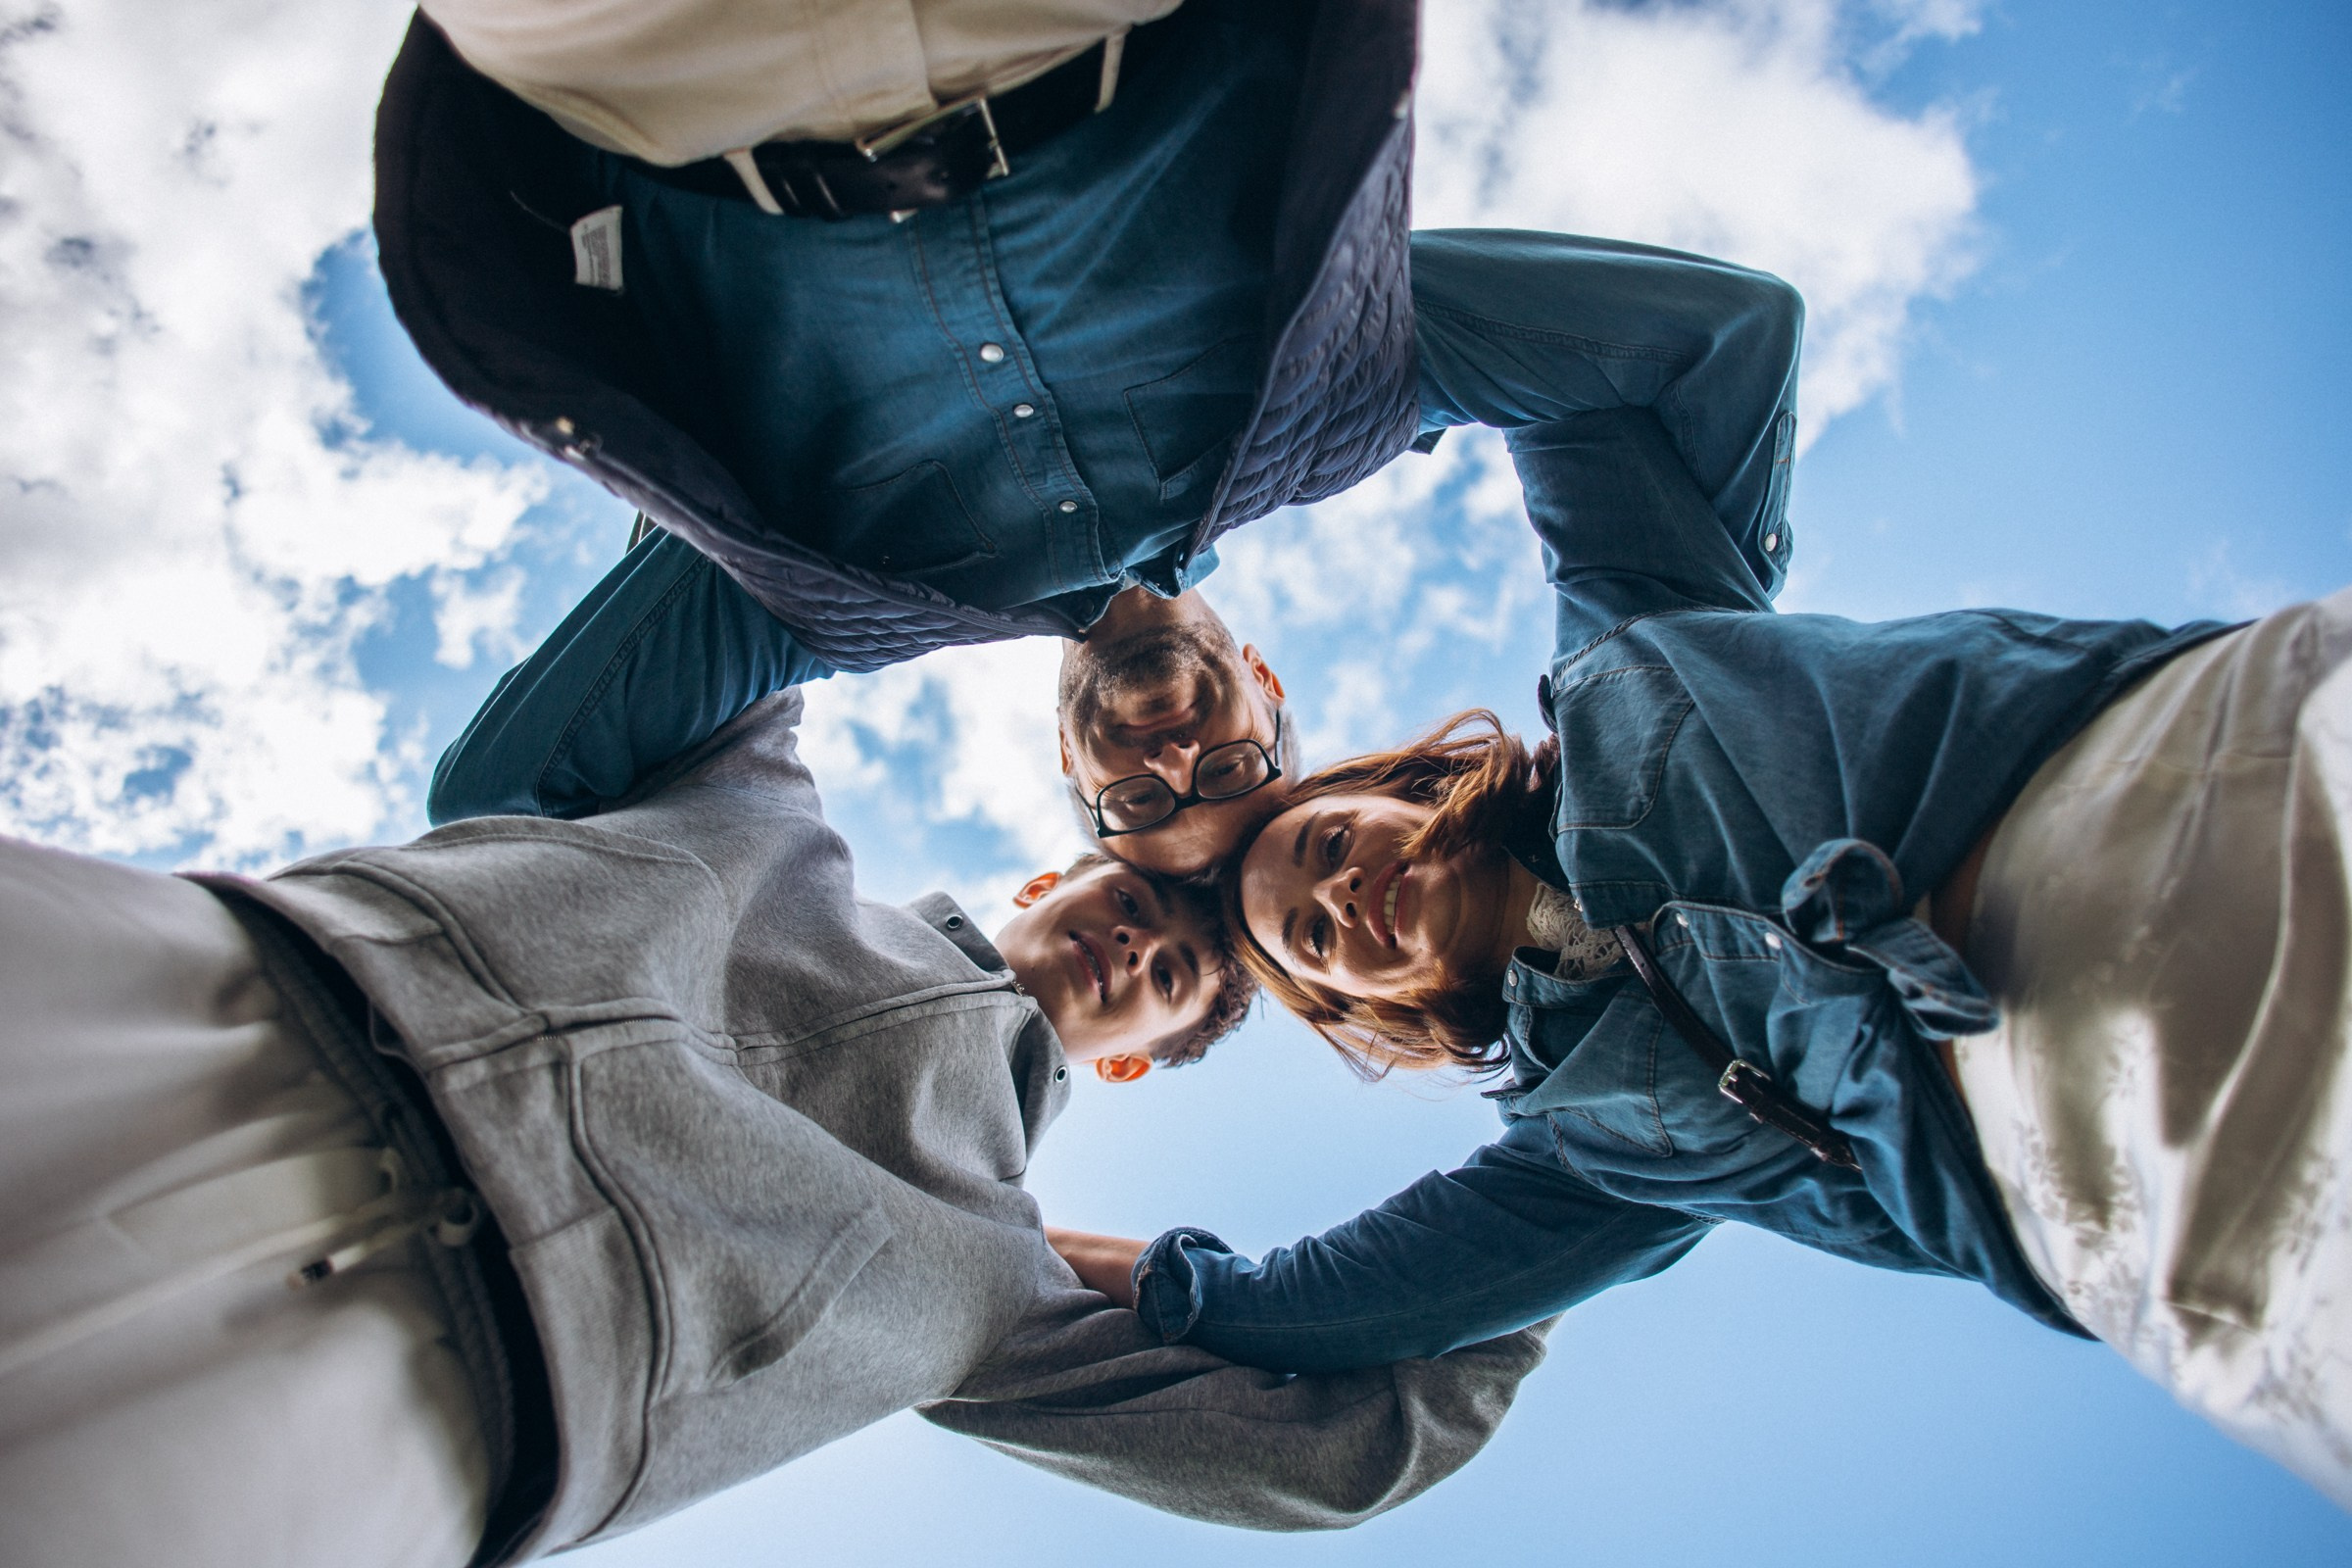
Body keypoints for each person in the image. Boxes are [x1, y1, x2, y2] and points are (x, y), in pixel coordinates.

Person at [1049, 405, 2352, 1508]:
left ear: (1398, 788)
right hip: (2183, 1195)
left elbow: (1611, 378)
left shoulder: (1624, 669)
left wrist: (1328, 383)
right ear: (1366, 1009)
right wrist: (991, 1237)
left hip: (2224, 782)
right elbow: (1300, 1312)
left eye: (1332, 844)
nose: (1348, 898)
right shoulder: (1583, 1159)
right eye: (1318, 942)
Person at [0, 688, 1551, 1568]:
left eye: (1177, 977)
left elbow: (1353, 1447)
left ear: (1139, 1061)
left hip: (416, 1408)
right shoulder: (761, 801)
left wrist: (1593, 1107)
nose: (1137, 947)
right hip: (219, 1001)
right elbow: (754, 542)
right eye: (1135, 903)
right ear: (1048, 881)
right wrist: (1116, 624)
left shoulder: (1002, 1297)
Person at [382, 0, 1807, 872]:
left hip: (666, 56)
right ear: (1258, 680)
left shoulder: (837, 601)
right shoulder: (1342, 394)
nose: (1173, 759)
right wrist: (1661, 736)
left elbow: (502, 795)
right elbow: (1717, 342)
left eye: (1135, 801)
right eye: (1240, 770)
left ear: (1076, 772)